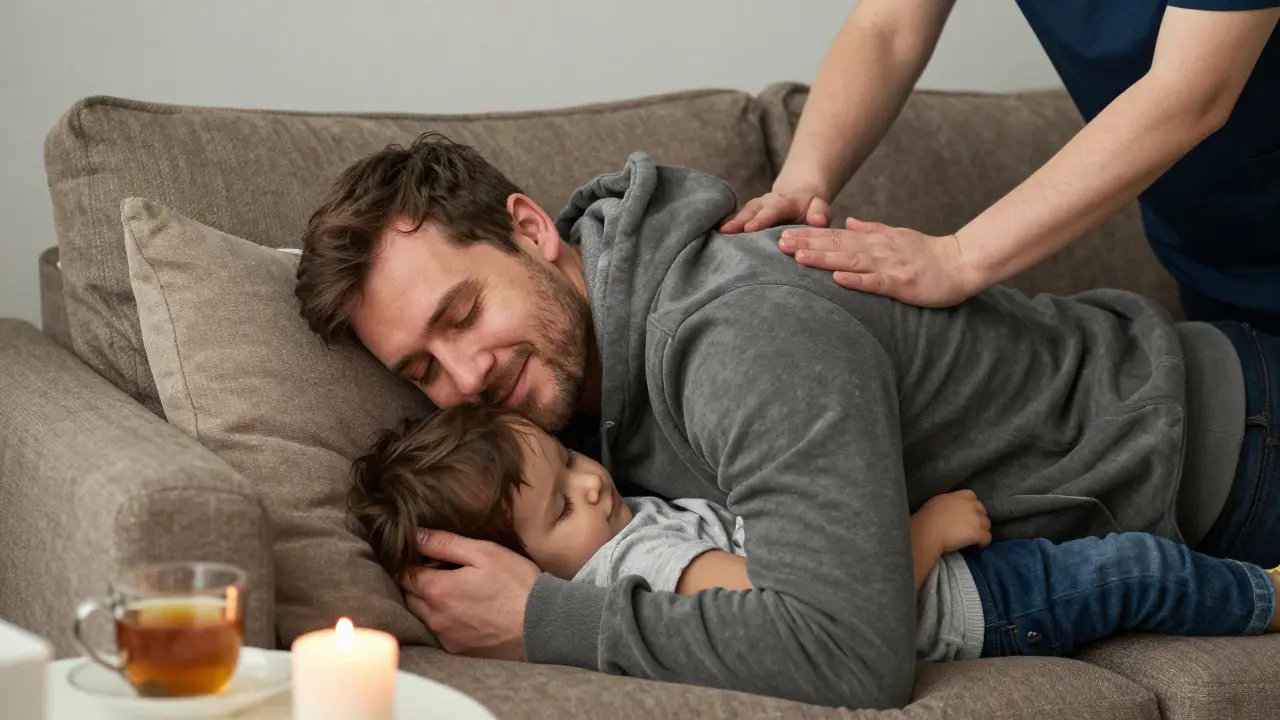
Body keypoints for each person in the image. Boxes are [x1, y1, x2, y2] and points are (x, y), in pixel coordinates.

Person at [294, 133, 1280, 709]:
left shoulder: (734, 339)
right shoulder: (555, 392)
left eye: (462, 315)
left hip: (1228, 453)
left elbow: (854, 653)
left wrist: (543, 621)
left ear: (528, 229)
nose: (464, 376)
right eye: (421, 368)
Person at [348, 405, 1280, 665]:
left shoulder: (618, 528)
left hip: (971, 584)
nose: (593, 481)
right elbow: (784, 610)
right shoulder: (638, 564)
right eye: (560, 505)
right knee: (1133, 571)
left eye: (568, 459)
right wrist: (922, 531)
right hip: (972, 607)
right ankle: (1267, 599)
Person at [720, 1, 1280, 331]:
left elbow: (1192, 92)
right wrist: (804, 180)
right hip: (1210, 250)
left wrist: (959, 258)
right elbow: (887, 28)